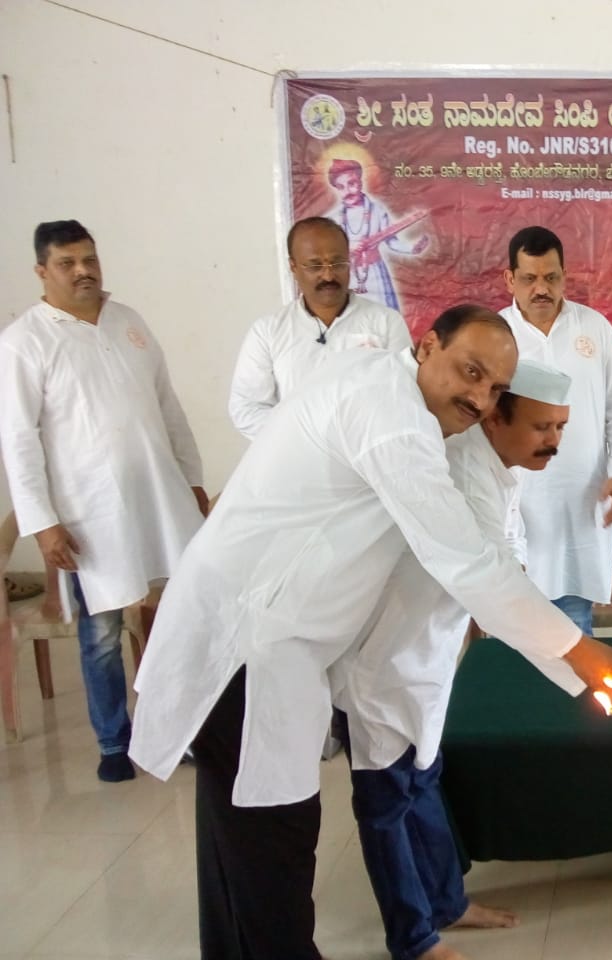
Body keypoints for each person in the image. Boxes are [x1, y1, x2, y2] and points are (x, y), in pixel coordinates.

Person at [129, 306, 612, 960]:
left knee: (245, 845)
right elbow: (465, 561)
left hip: (275, 642)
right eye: (470, 372)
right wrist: (581, 651)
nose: (480, 398)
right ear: (426, 347)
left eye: (493, 387)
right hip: (247, 642)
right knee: (273, 843)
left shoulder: (403, 405)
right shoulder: (390, 415)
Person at [329, 357, 573, 960]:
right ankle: (413, 939)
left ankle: (446, 903)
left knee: (424, 775)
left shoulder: (497, 469)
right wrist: (580, 662)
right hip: (379, 656)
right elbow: (487, 581)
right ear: (494, 419)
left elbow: (504, 562)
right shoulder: (458, 469)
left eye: (561, 427)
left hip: (426, 652)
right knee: (386, 800)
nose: (554, 441)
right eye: (542, 426)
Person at [0, 220, 206, 782]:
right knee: (102, 634)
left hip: (160, 499)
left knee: (176, 620)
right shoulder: (24, 342)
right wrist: (42, 524)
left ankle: (175, 733)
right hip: (90, 514)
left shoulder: (128, 321)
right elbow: (18, 440)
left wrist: (191, 479)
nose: (83, 271)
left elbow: (168, 407)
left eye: (89, 259)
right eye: (67, 263)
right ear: (42, 271)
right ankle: (115, 742)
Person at [498, 225, 612, 636]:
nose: (541, 289)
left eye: (551, 277)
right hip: (517, 507)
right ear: (509, 279)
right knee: (516, 635)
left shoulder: (594, 328)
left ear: (565, 275)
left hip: (581, 505)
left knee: (574, 631)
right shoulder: (494, 334)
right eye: (529, 278)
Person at [228, 216, 412, 438]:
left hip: (366, 452)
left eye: (338, 263)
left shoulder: (386, 323)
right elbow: (247, 408)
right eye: (315, 265)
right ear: (293, 266)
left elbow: (404, 397)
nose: (328, 275)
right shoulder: (268, 332)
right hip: (294, 453)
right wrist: (307, 436)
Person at [327, 158, 431, 311]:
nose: (348, 191)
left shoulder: (377, 210)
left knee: (383, 315)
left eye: (352, 183)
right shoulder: (333, 219)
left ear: (360, 182)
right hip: (346, 276)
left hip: (375, 274)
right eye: (341, 187)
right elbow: (326, 251)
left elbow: (391, 241)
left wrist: (412, 248)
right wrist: (347, 248)